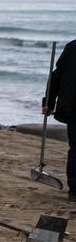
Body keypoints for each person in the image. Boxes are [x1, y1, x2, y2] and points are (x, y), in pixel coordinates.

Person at [44, 38, 76, 198]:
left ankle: (75, 191)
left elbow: (56, 76)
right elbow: (57, 76)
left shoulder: (72, 46)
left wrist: (49, 101)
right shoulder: (72, 47)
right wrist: (48, 102)